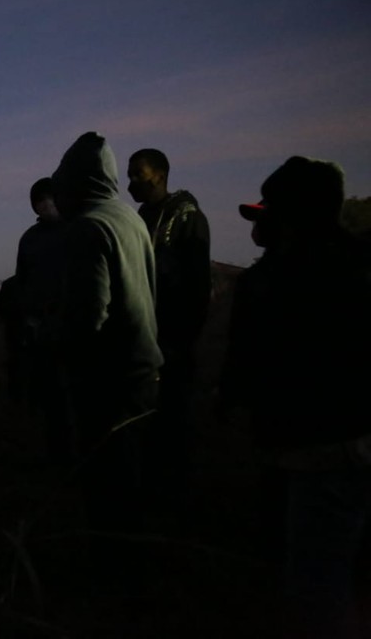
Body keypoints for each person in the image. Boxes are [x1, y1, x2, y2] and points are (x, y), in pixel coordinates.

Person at [218, 156, 371, 639]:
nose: (261, 226)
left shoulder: (280, 280)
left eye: (271, 213)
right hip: (341, 441)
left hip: (316, 446)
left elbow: (252, 360)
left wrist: (231, 399)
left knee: (315, 580)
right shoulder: (353, 263)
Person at [48, 132, 163, 534]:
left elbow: (88, 319)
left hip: (108, 383)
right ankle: (133, 568)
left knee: (107, 486)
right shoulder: (130, 218)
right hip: (144, 374)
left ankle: (112, 577)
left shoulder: (88, 228)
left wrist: (62, 356)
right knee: (133, 482)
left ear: (77, 181)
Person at [126, 148, 212, 528]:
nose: (131, 183)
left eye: (138, 174)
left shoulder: (189, 219)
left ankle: (179, 506)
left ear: (160, 175)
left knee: (174, 421)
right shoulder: (142, 218)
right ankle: (151, 497)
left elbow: (197, 288)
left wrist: (181, 340)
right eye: (129, 175)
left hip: (174, 343)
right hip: (146, 342)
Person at [10, 177, 72, 464]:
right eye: (39, 201)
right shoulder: (31, 238)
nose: (45, 205)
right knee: (50, 400)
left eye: (48, 198)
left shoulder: (76, 230)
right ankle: (56, 456)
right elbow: (22, 283)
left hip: (74, 329)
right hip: (41, 332)